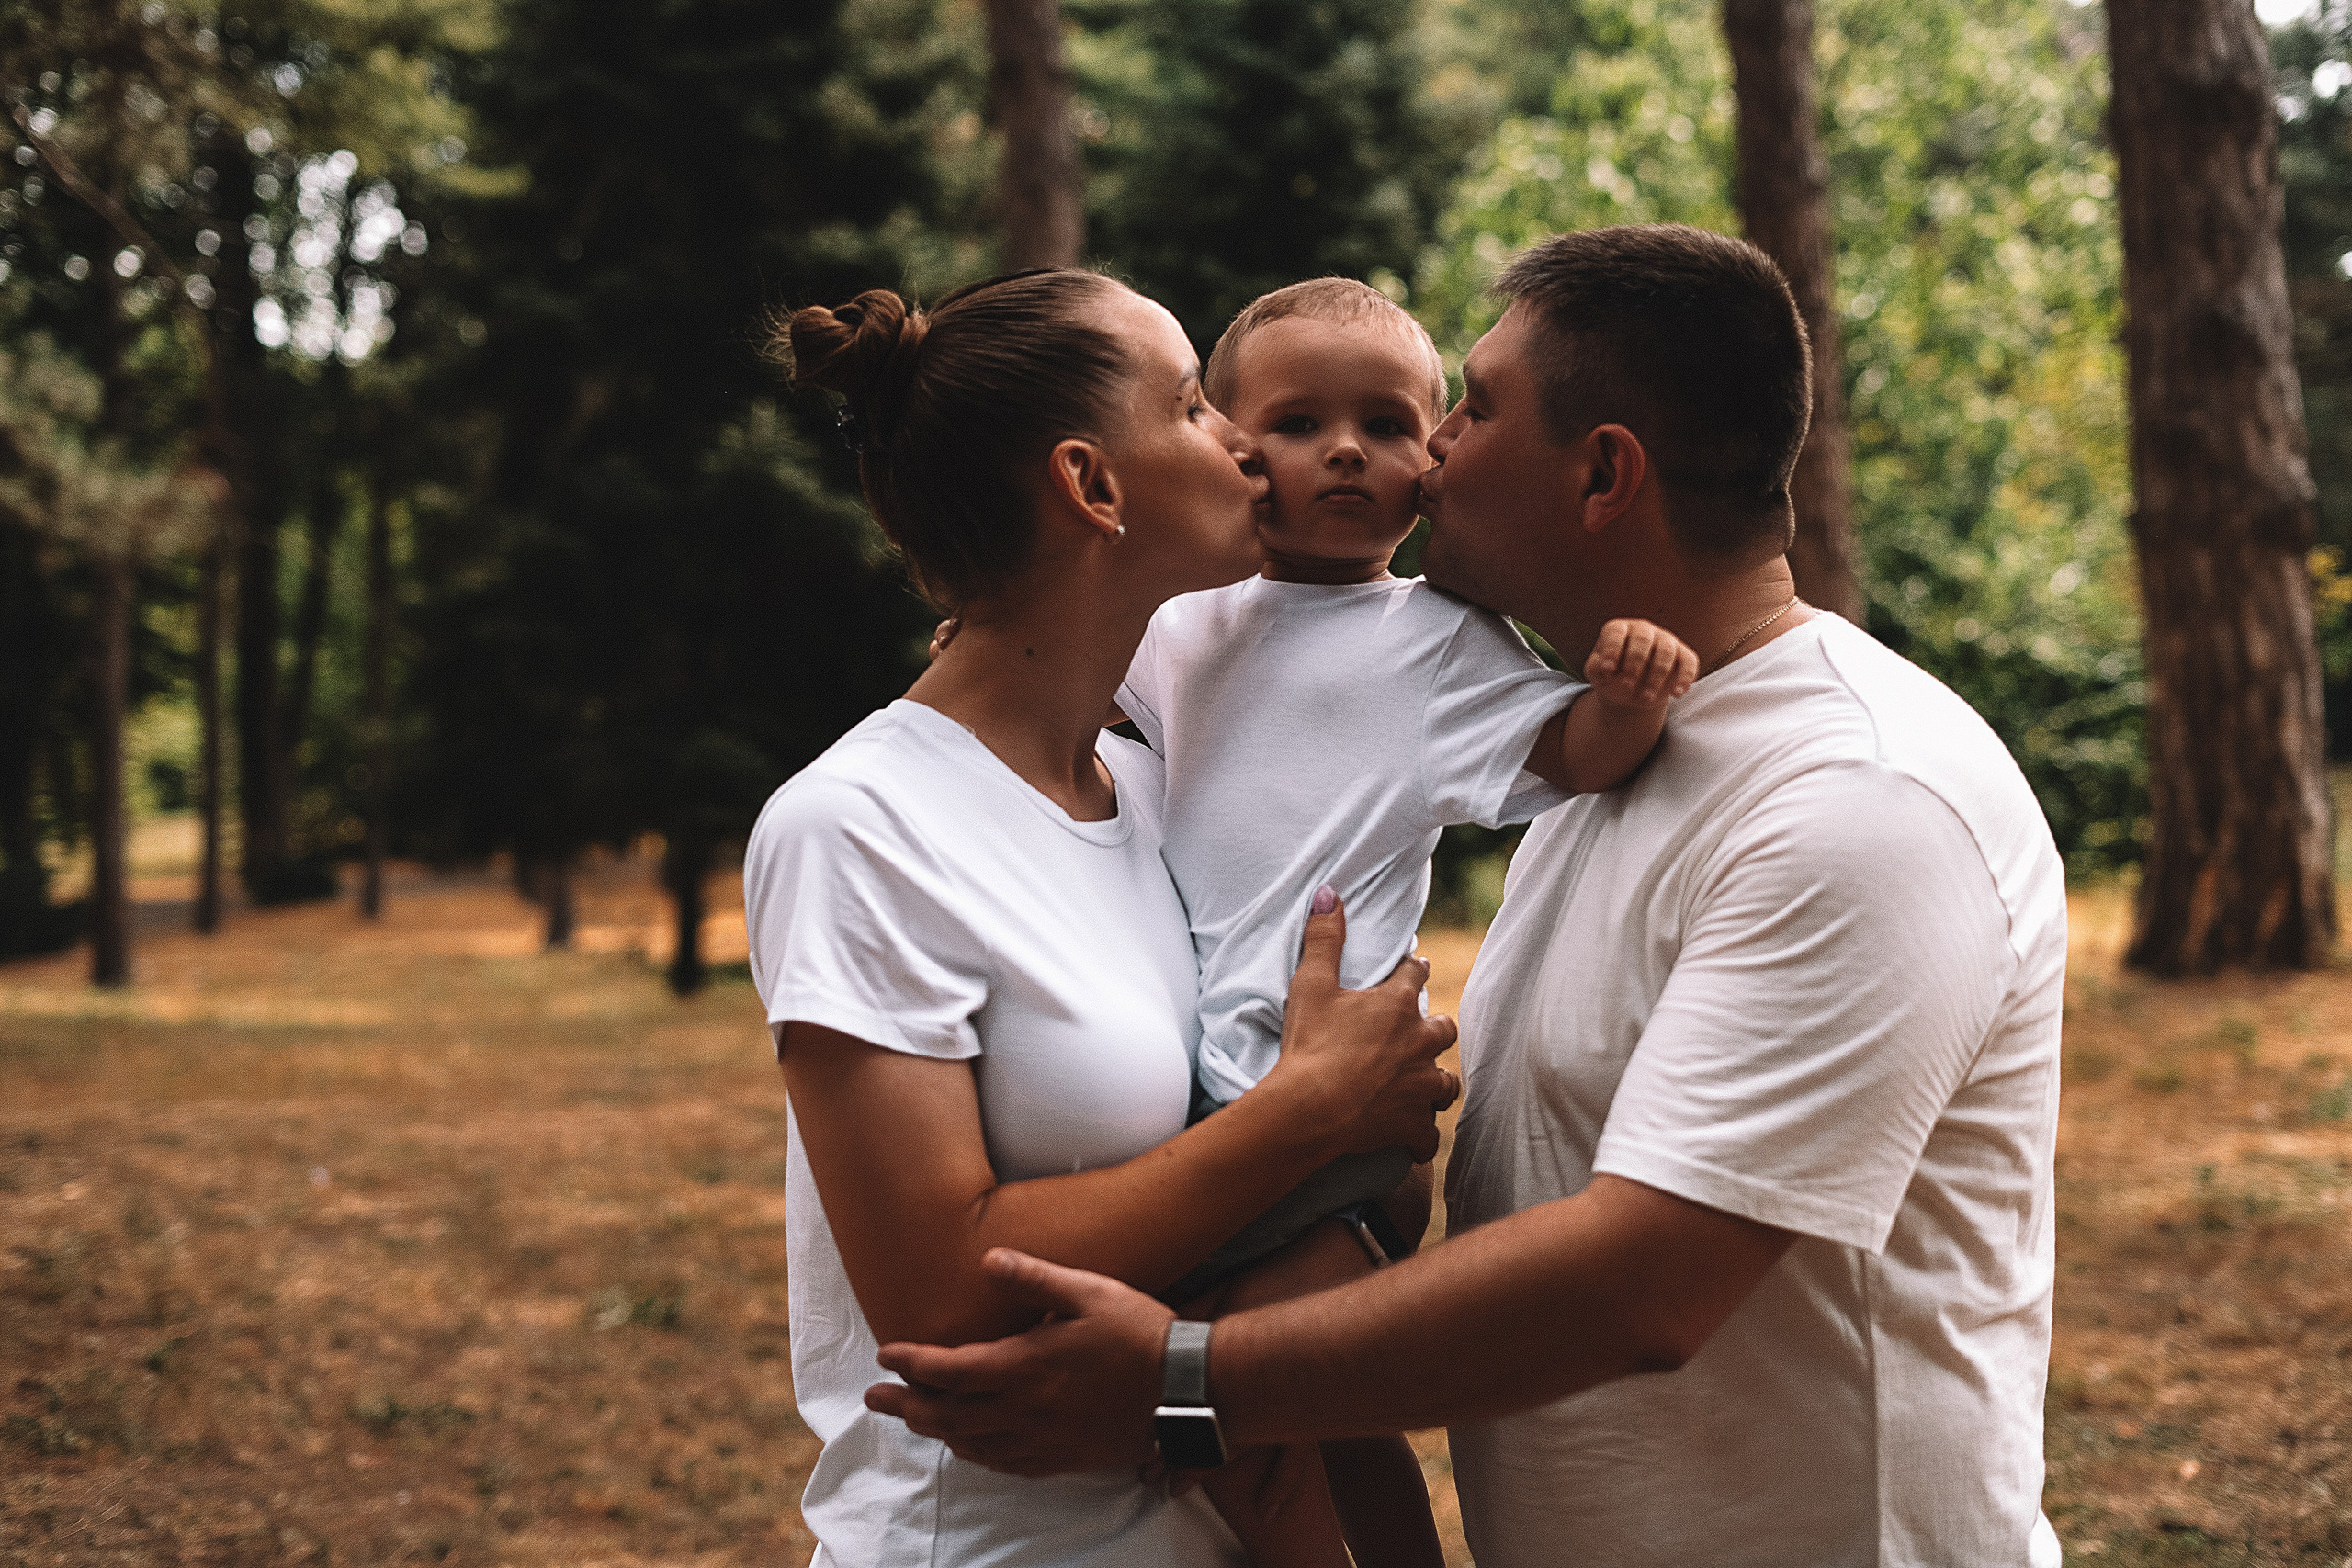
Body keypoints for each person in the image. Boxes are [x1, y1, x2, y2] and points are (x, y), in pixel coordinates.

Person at [865, 225, 2072, 1568]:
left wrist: (1184, 1379)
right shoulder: (1618, 766)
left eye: (1468, 412)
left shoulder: (1862, 797)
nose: (1427, 456)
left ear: (1605, 472)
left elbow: (1644, 1284)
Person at [741, 267, 1459, 1568]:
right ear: (1093, 487)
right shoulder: (861, 825)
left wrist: (1377, 1122)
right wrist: (1308, 1114)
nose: (1245, 441)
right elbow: (944, 1296)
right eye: (1192, 406)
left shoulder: (1158, 790)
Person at [1105, 276, 1697, 1566]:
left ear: (1433, 456)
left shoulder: (1436, 641)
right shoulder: (1174, 627)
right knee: (1332, 1425)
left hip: (1332, 1131)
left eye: (1387, 423)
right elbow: (1078, 725)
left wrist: (1630, 695)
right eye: (1303, 422)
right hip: (1202, 1106)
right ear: (1230, 442)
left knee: (1243, 1420)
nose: (1347, 453)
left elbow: (1572, 751)